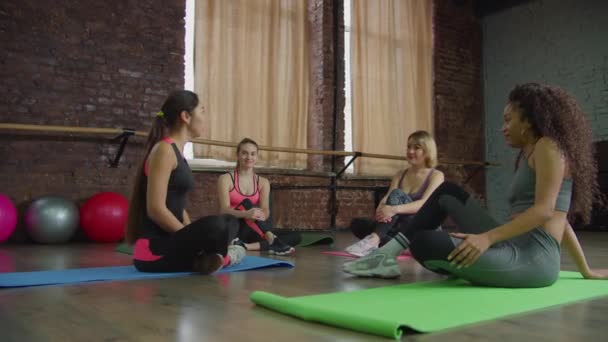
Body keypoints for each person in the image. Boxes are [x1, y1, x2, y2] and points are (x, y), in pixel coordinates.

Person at [343, 83, 608, 286]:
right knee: (448, 193)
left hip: (533, 260)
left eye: (508, 120)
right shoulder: (530, 152)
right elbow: (562, 220)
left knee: (426, 244)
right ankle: (385, 255)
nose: (503, 127)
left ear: (528, 122)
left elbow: (547, 212)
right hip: (510, 242)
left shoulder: (549, 147)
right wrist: (585, 269)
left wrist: (487, 238)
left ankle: (471, 263)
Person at [126, 90, 245, 274]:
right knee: (218, 225)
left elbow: (178, 206)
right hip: (154, 251)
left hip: (173, 243)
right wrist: (190, 237)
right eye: (202, 111)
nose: (206, 118)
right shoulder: (164, 150)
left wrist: (191, 235)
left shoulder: (177, 153)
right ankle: (225, 257)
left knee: (231, 222)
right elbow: (156, 209)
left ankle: (209, 259)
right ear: (186, 116)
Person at [346, 131, 444, 256]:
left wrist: (393, 210)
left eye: (416, 148)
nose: (410, 151)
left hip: (423, 228)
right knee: (358, 224)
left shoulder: (436, 175)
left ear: (427, 151)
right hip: (402, 228)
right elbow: (388, 197)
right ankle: (402, 246)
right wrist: (381, 209)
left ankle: (374, 240)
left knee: (397, 194)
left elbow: (424, 204)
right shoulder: (400, 174)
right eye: (408, 147)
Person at [217, 138, 300, 255]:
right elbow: (224, 210)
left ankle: (245, 246)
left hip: (252, 228)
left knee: (295, 236)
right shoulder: (225, 179)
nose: (249, 157)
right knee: (247, 203)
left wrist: (261, 215)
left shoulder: (263, 182)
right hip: (233, 226)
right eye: (244, 153)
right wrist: (246, 213)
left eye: (253, 154)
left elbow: (266, 210)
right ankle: (271, 240)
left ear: (257, 156)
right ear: (238, 155)